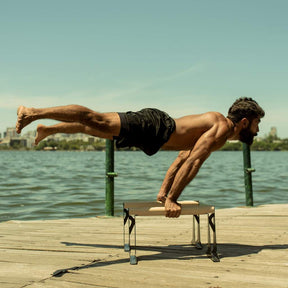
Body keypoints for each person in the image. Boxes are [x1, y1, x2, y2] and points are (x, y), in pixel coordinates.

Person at [16, 97, 265, 218]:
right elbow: (193, 162)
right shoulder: (220, 128)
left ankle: (49, 129)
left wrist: (164, 192)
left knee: (96, 128)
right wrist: (172, 200)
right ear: (244, 121)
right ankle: (33, 113)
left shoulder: (217, 130)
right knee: (97, 118)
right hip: (154, 126)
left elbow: (182, 157)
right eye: (256, 123)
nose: (257, 129)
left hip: (154, 137)